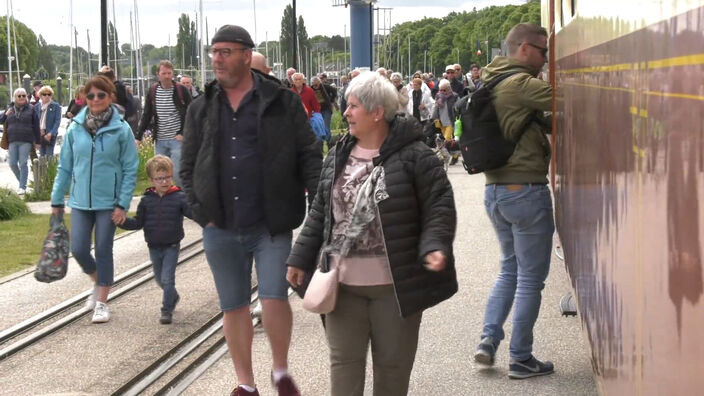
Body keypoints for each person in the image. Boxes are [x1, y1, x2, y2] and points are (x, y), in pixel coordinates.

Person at [286, 71, 457, 396]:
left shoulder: (416, 157)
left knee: (392, 374)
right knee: (343, 370)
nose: (345, 113)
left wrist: (434, 244)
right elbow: (321, 210)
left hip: (395, 290)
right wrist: (299, 255)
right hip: (342, 287)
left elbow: (439, 207)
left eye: (352, 106)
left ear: (377, 112)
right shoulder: (337, 155)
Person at [180, 25, 321, 396]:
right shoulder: (202, 105)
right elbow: (187, 164)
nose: (217, 59)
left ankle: (280, 370)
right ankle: (246, 383)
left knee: (274, 294)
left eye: (225, 52)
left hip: (270, 222)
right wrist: (200, 210)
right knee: (234, 305)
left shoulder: (283, 102)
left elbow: (309, 154)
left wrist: (318, 204)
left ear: (246, 55)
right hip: (220, 224)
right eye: (214, 52)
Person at [473, 23, 554, 379]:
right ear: (523, 49)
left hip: (495, 192)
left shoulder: (490, 81)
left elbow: (535, 122)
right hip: (525, 191)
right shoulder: (521, 84)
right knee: (530, 279)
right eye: (542, 52)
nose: (546, 60)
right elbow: (576, 98)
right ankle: (521, 357)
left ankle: (488, 340)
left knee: (510, 269)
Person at [50, 75, 139, 324]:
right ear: (84, 98)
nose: (96, 99)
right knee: (78, 248)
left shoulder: (121, 129)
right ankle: (98, 282)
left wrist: (122, 204)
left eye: (101, 95)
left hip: (108, 201)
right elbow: (65, 167)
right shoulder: (75, 128)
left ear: (110, 97)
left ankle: (102, 302)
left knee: (102, 248)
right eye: (91, 95)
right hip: (80, 201)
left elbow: (130, 168)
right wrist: (57, 200)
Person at [117, 155, 193, 324]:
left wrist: (207, 219)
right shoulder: (146, 200)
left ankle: (166, 310)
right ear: (152, 180)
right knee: (159, 279)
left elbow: (192, 213)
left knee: (167, 279)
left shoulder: (179, 197)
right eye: (160, 179)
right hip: (153, 246)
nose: (164, 182)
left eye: (167, 178)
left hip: (172, 245)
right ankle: (172, 295)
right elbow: (138, 222)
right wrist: (122, 222)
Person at [137, 60, 192, 186]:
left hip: (176, 139)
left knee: (177, 174)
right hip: (160, 139)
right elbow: (147, 114)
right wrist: (138, 136)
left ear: (172, 74)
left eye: (169, 73)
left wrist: (183, 133)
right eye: (164, 73)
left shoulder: (181, 90)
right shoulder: (153, 91)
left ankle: (182, 199)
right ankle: (164, 200)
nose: (167, 76)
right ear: (158, 74)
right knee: (159, 174)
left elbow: (191, 112)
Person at [0, 88, 40, 194]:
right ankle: (23, 183)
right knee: (12, 163)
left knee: (23, 163)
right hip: (12, 140)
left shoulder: (31, 109)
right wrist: (5, 115)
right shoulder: (10, 108)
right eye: (19, 96)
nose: (22, 97)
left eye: (23, 95)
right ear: (15, 97)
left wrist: (38, 142)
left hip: (26, 140)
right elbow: (1, 120)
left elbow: (36, 126)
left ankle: (22, 187)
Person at [34, 85, 62, 157]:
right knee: (42, 156)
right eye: (44, 94)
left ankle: (50, 168)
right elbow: (34, 121)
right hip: (40, 133)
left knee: (49, 155)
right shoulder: (37, 107)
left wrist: (51, 133)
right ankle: (43, 168)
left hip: (50, 134)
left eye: (49, 94)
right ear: (40, 95)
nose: (47, 96)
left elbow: (57, 121)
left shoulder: (56, 106)